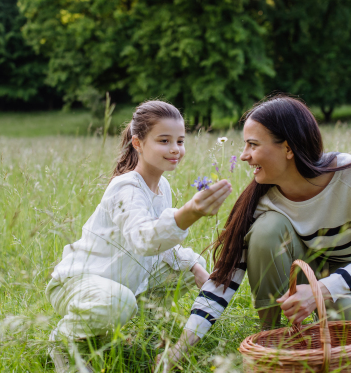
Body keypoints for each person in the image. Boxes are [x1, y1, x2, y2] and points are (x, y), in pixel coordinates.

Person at [157, 95, 351, 371]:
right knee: (267, 230)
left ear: (288, 148)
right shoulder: (262, 198)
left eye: (253, 145)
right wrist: (179, 349)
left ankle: (329, 326)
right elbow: (222, 281)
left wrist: (320, 290)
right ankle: (271, 336)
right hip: (304, 272)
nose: (244, 155)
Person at [46, 100, 232, 372]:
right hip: (77, 284)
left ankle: (142, 329)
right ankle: (62, 341)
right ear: (138, 143)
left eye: (180, 141)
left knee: (188, 269)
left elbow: (162, 246)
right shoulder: (125, 187)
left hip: (116, 282)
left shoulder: (162, 186)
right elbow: (143, 239)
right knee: (119, 301)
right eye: (164, 140)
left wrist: (194, 265)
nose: (175, 149)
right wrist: (188, 213)